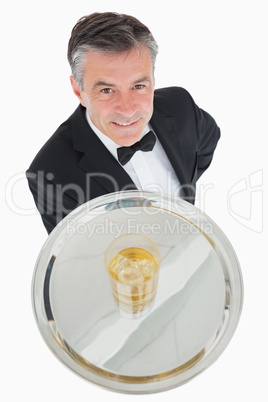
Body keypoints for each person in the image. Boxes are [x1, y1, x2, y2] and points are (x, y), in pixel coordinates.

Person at [26, 12, 220, 234]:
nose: (128, 110)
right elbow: (77, 260)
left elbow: (207, 142)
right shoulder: (50, 173)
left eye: (138, 86)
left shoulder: (181, 106)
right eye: (107, 90)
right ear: (78, 90)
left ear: (153, 77)